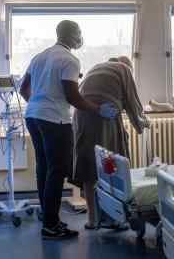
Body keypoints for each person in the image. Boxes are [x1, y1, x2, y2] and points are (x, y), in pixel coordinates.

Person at [19, 20, 118, 240]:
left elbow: (23, 87)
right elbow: (72, 96)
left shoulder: (39, 56)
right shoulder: (70, 60)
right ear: (73, 35)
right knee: (58, 170)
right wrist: (98, 109)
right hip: (55, 121)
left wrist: (36, 103)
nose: (80, 38)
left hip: (33, 117)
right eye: (79, 33)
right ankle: (51, 226)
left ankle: (48, 218)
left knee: (43, 168)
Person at [72, 56, 149, 229]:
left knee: (90, 168)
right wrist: (142, 123)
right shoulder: (124, 69)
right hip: (102, 117)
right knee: (112, 166)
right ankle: (115, 218)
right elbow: (132, 102)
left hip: (81, 116)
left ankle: (92, 220)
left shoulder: (97, 66)